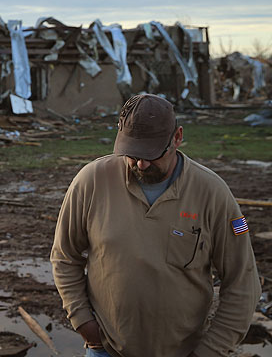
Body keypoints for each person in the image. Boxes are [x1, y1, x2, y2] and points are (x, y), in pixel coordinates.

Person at [50, 94, 260, 357]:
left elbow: (243, 282)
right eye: (132, 154)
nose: (141, 164)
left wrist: (210, 350)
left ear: (177, 137)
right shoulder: (91, 182)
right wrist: (83, 321)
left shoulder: (212, 194)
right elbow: (64, 256)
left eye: (152, 154)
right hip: (106, 350)